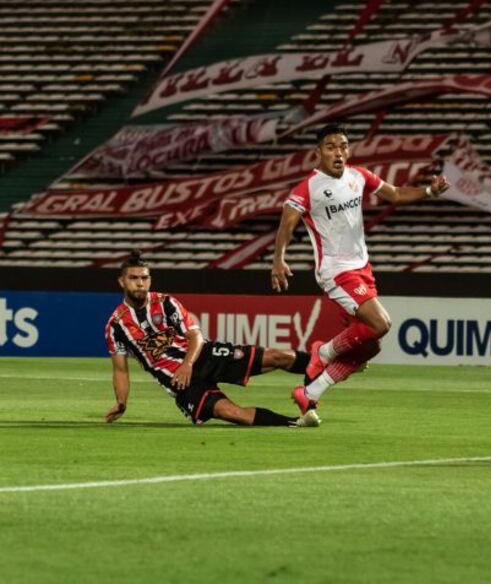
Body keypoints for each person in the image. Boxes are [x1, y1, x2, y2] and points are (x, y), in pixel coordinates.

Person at [270, 122, 450, 416]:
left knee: (368, 348)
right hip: (336, 271)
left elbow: (394, 194)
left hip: (362, 268)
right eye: (331, 147)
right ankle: (323, 351)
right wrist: (279, 258)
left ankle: (309, 392)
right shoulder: (309, 188)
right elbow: (288, 220)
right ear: (318, 153)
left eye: (343, 146)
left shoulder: (358, 176)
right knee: (381, 324)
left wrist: (430, 190)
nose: (338, 153)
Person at [105, 250, 320, 427]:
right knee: (234, 414)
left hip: (203, 356)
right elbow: (120, 370)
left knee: (278, 356)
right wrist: (121, 403)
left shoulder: (165, 303)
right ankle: (298, 423)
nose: (140, 283)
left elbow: (195, 335)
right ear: (121, 282)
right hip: (179, 383)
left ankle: (325, 364)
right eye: (133, 278)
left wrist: (187, 364)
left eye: (144, 278)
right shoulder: (116, 325)